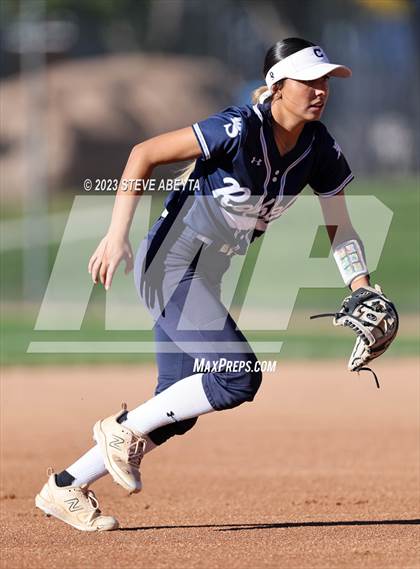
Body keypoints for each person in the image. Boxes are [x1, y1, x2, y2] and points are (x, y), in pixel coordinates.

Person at [36, 37, 372, 532]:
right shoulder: (237, 127)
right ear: (278, 86)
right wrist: (115, 235)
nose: (320, 90)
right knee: (238, 376)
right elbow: (143, 153)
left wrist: (362, 287)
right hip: (167, 262)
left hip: (204, 273)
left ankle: (65, 486)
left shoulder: (318, 148)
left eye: (325, 81)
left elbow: (339, 225)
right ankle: (117, 430)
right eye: (308, 80)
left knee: (175, 405)